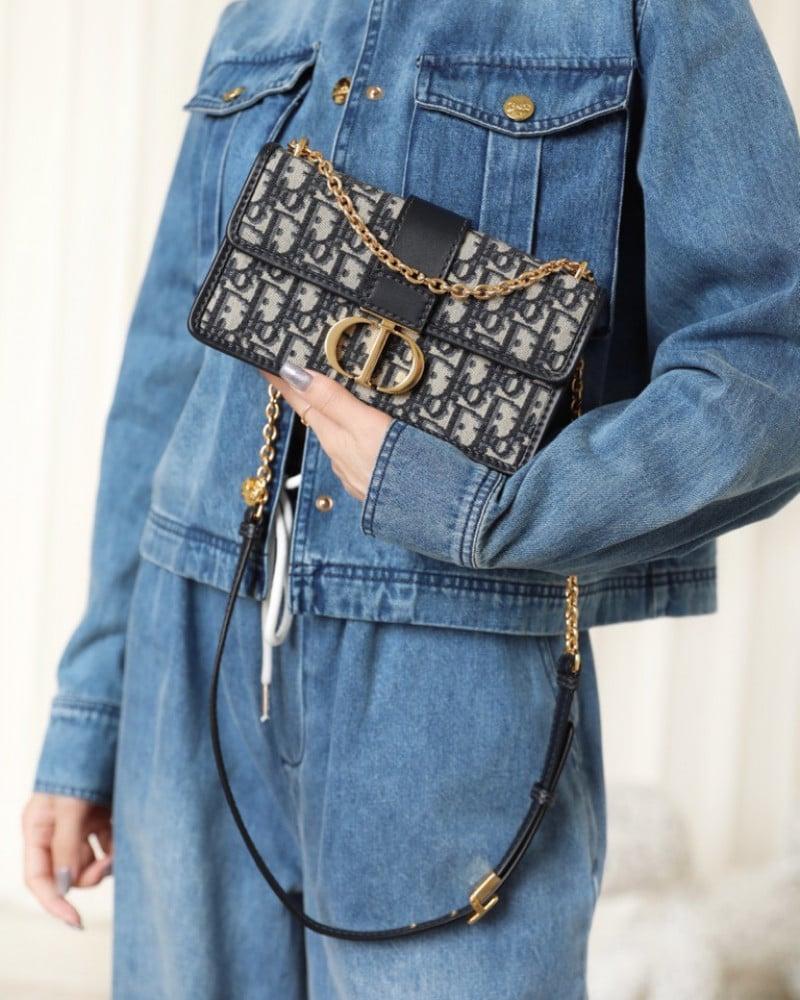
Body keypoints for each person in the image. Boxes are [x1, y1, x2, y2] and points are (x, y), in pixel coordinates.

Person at [21, 1, 800, 998]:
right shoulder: (263, 10)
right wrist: (92, 711)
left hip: (448, 681)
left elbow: (768, 363)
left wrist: (478, 504)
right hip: (192, 655)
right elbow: (168, 368)